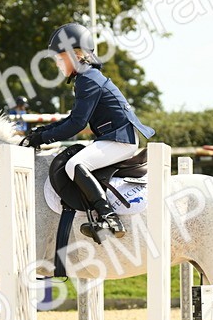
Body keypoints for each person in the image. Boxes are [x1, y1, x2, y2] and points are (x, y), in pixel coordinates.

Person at [22, 23, 155, 240]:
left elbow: (77, 124)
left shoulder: (87, 79)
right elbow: (72, 118)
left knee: (75, 164)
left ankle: (109, 217)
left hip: (120, 139)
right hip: (115, 137)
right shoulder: (87, 77)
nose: (57, 64)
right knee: (76, 162)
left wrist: (43, 138)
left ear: (75, 55)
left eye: (59, 58)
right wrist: (43, 131)